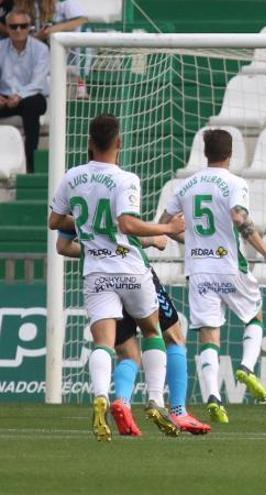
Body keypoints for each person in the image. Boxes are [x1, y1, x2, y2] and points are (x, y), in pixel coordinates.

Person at [48, 113, 186, 441]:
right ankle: (154, 399)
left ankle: (100, 395)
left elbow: (55, 222)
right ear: (119, 143)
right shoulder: (126, 179)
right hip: (130, 269)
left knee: (104, 343)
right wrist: (168, 227)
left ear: (89, 144)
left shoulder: (72, 177)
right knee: (153, 331)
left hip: (97, 272)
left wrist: (87, 223)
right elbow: (127, 224)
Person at [160, 129, 266, 423]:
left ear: (205, 153)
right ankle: (247, 367)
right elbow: (240, 218)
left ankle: (213, 397)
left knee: (208, 334)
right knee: (255, 316)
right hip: (228, 265)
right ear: (230, 154)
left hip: (198, 271)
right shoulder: (235, 183)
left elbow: (164, 226)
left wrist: (191, 240)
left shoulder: (186, 186)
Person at [55, 230, 212, 436]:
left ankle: (122, 402)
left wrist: (97, 250)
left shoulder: (71, 201)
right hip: (134, 272)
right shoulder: (118, 196)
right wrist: (155, 236)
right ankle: (176, 410)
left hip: (99, 278)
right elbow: (126, 227)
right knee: (172, 336)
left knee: (126, 352)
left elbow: (62, 246)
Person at [0, 9, 48, 173]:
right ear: (7, 28)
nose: (18, 30)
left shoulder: (41, 49)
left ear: (29, 28)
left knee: (31, 107)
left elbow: (38, 82)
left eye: (23, 26)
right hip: (5, 97)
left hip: (31, 96)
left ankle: (31, 165)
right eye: (14, 26)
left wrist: (19, 96)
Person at [17, 0, 89, 98]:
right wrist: (39, 36)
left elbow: (81, 20)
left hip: (66, 59)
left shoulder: (64, 2)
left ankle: (80, 87)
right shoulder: (24, 5)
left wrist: (54, 29)